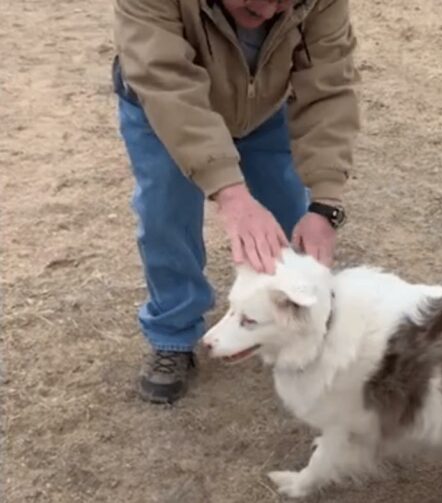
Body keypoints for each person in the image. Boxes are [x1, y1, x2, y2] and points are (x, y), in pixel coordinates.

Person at [112, 0, 360, 404]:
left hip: (265, 108)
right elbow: (165, 78)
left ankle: (298, 330)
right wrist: (231, 194)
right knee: (166, 218)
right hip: (164, 108)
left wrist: (325, 203)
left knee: (287, 218)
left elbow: (330, 86)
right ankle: (173, 333)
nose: (270, 10)